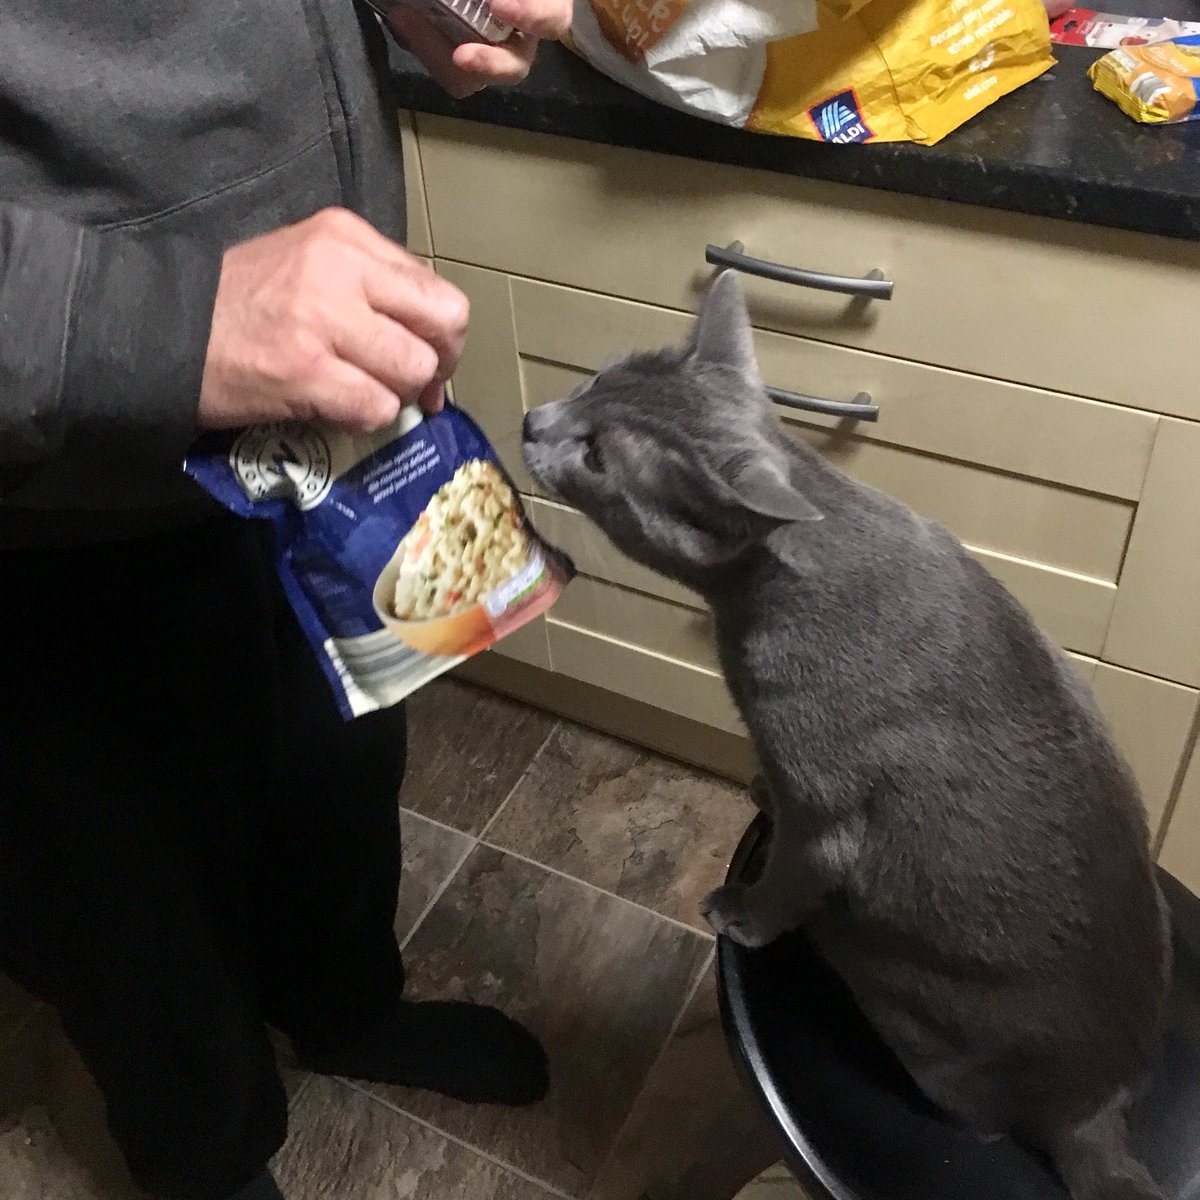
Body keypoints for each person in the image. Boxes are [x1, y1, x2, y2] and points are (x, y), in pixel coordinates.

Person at [0, 3, 571, 1199]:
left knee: (340, 769)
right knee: (129, 893)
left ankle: (346, 1010)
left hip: (315, 422)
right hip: (58, 498)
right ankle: (207, 1160)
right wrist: (153, 320)